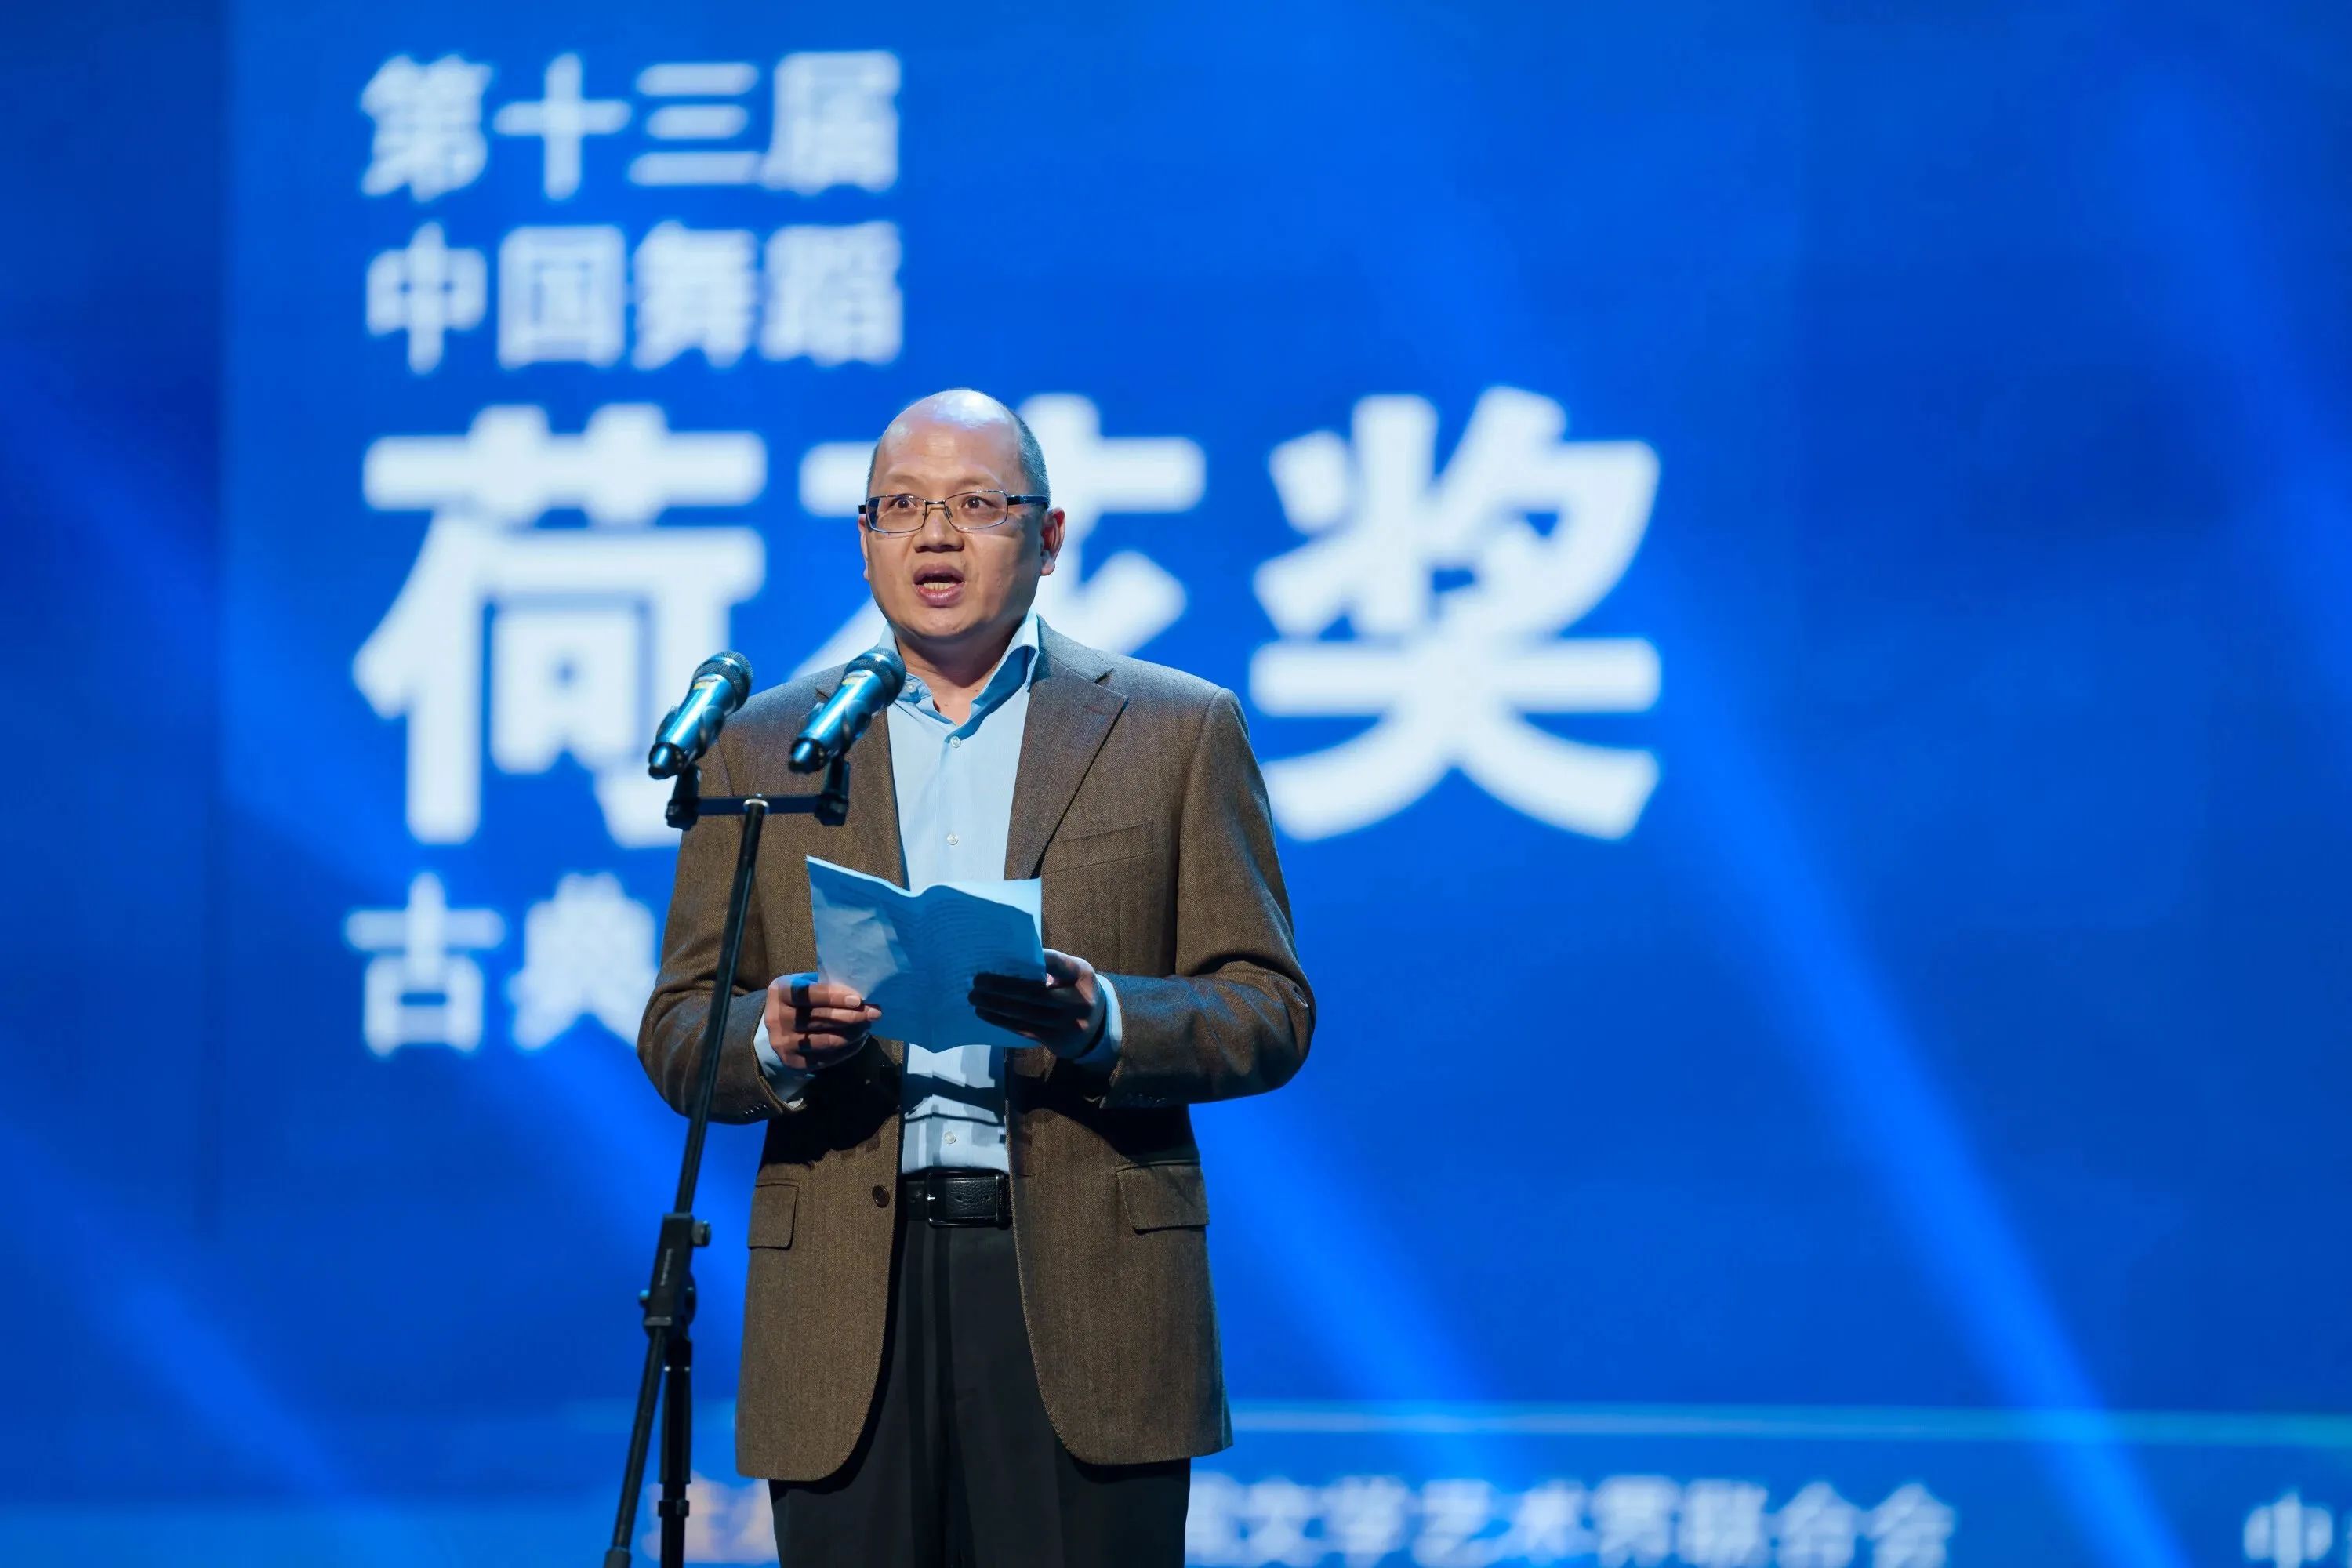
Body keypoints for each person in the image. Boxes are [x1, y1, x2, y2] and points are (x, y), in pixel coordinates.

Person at [637, 388, 1314, 1566]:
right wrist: (771, 1039)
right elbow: (681, 1023)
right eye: (900, 507)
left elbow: (1267, 1005)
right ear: (864, 541)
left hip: (1084, 1289)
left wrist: (1104, 1018)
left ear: (1049, 538)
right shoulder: (766, 746)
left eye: (976, 505)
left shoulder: (1172, 730)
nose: (935, 536)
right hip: (848, 1290)